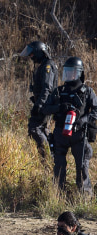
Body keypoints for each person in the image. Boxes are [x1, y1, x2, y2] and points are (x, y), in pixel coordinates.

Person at [41, 57, 97, 195]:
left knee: (82, 166)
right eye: (67, 71)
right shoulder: (59, 91)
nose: (69, 75)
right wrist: (59, 107)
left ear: (79, 73)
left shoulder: (87, 91)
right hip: (60, 133)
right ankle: (58, 196)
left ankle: (84, 199)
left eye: (72, 72)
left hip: (79, 134)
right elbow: (45, 109)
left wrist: (84, 120)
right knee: (59, 166)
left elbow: (96, 110)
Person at [19, 41, 58, 158]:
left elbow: (47, 88)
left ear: (38, 53)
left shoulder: (48, 65)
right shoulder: (43, 65)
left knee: (34, 128)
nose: (31, 57)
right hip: (44, 103)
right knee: (43, 129)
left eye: (32, 54)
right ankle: (49, 157)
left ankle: (47, 156)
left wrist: (39, 105)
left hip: (46, 104)